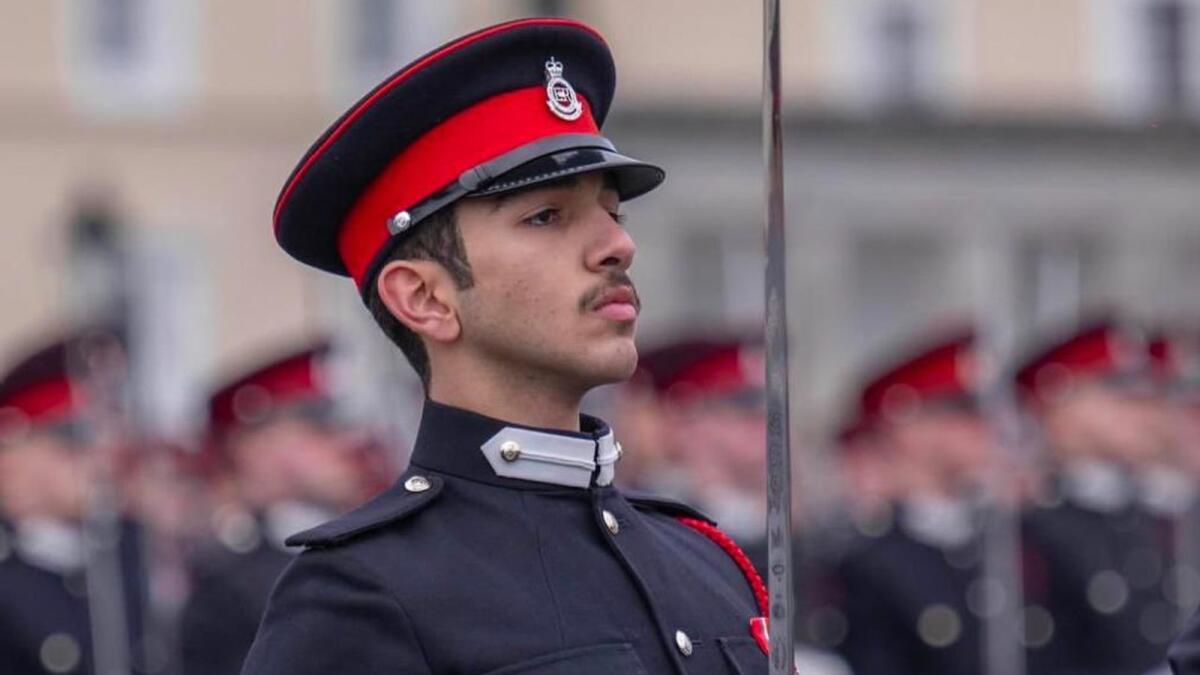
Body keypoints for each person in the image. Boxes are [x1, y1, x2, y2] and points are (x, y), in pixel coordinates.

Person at [241, 18, 770, 675]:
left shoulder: (708, 561)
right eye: (545, 216)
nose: (617, 244)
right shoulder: (364, 595)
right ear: (425, 298)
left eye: (614, 211)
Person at [180, 340, 369, 675]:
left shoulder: (368, 542)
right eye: (318, 423)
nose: (346, 439)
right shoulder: (228, 583)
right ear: (254, 446)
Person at [821, 330, 997, 675]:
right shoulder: (867, 562)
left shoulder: (1001, 543)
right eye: (962, 410)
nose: (985, 425)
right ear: (907, 426)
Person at [1016, 319, 1168, 675]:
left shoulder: (1142, 516)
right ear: (1056, 400)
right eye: (1116, 388)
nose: (1139, 406)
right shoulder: (1027, 526)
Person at [0, 329, 148, 675]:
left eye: (109, 432)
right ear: (11, 455)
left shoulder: (135, 553)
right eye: (77, 438)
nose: (104, 456)